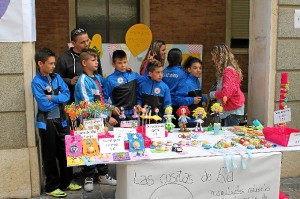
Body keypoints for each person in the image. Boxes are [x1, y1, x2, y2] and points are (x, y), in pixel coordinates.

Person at [31, 48, 81, 198]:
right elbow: (43, 106)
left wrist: (52, 98)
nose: (54, 66)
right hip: (47, 123)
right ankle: (51, 187)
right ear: (40, 63)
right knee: (50, 156)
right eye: (51, 63)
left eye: (54, 63)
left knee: (66, 152)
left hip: (62, 120)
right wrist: (58, 98)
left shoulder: (57, 77)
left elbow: (66, 96)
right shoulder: (36, 82)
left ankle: (66, 182)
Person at [74, 48, 117, 187]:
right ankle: (88, 177)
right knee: (89, 148)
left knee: (102, 147)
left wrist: (110, 108)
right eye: (93, 60)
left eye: (97, 59)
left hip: (100, 120)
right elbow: (89, 105)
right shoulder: (82, 81)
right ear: (84, 62)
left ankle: (103, 175)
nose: (96, 62)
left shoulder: (98, 78)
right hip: (88, 122)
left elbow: (102, 99)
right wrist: (106, 118)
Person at [55, 28, 103, 103]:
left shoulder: (93, 54)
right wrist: (69, 81)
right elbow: (56, 79)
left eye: (87, 40)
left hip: (95, 100)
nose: (86, 44)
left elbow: (99, 74)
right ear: (73, 43)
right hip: (73, 102)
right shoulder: (64, 58)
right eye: (82, 42)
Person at [103, 50, 144, 125]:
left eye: (125, 62)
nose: (123, 65)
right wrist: (111, 108)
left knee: (136, 136)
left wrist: (148, 65)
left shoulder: (133, 75)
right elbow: (103, 98)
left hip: (134, 114)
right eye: (119, 63)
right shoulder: (109, 80)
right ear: (113, 64)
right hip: (119, 115)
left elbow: (147, 81)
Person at [209, 44, 245, 126]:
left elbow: (226, 93)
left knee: (227, 135)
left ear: (220, 57)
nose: (212, 59)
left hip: (231, 112)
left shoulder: (228, 71)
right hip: (232, 110)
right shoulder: (230, 70)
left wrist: (213, 94)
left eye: (213, 56)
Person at [174, 56, 207, 127]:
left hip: (197, 118)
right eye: (195, 68)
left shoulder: (197, 81)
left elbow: (198, 94)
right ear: (189, 69)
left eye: (200, 68)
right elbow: (178, 99)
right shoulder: (185, 82)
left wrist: (204, 100)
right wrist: (192, 100)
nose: (198, 70)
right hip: (187, 120)